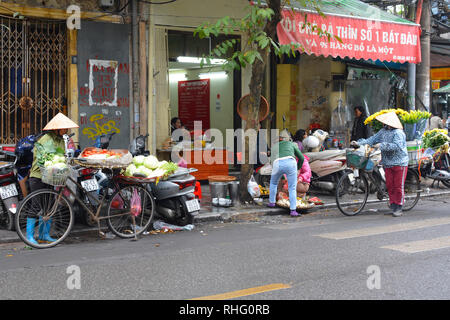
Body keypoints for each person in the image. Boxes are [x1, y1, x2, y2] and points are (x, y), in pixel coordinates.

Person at [26, 113, 79, 245]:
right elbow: (44, 159)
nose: (65, 131)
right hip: (38, 176)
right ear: (56, 129)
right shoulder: (45, 140)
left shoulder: (61, 139)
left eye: (66, 129)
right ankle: (29, 237)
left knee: (49, 206)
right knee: (36, 205)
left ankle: (44, 235)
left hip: (51, 176)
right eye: (63, 128)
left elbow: (60, 156)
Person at [351, 111, 408, 217]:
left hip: (400, 163)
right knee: (390, 186)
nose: (384, 124)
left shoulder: (398, 133)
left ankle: (398, 206)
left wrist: (382, 145)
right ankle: (393, 205)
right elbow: (372, 139)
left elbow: (397, 146)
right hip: (387, 163)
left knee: (398, 186)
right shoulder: (383, 131)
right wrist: (359, 143)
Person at [267, 129, 305, 217]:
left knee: (273, 183)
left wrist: (280, 174)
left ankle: (272, 203)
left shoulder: (274, 146)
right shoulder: (292, 144)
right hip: (291, 163)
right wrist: (298, 168)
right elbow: (301, 158)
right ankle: (293, 211)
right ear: (289, 139)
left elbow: (271, 161)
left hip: (277, 163)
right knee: (292, 188)